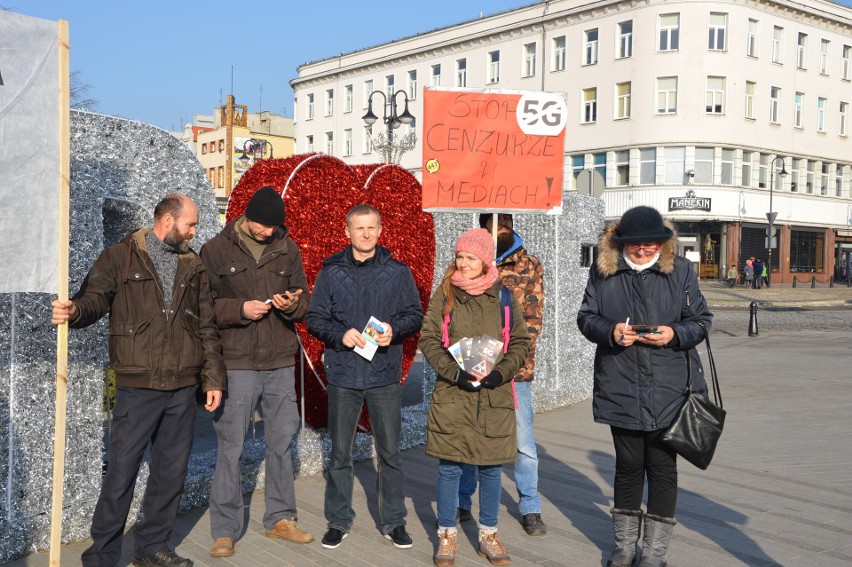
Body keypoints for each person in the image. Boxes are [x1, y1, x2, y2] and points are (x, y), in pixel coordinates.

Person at [51, 194, 226, 567]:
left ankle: (151, 549)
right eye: (190, 224)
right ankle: (101, 556)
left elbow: (207, 326)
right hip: (137, 386)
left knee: (170, 474)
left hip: (182, 387)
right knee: (121, 475)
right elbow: (94, 299)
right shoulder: (120, 256)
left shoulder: (194, 265)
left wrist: (212, 379)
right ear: (167, 220)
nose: (195, 232)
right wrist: (75, 310)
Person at [576, 206, 713, 567]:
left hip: (671, 388)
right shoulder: (603, 270)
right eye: (636, 245)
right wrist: (610, 331)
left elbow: (701, 321)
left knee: (663, 468)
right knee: (628, 466)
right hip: (620, 382)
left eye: (651, 244)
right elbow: (586, 317)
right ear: (622, 242)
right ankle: (623, 550)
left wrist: (674, 334)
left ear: (662, 242)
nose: (643, 250)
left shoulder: (681, 271)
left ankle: (654, 555)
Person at [200, 186, 313, 558]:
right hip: (237, 362)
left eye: (274, 227)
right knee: (231, 446)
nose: (268, 232)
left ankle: (281, 519)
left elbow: (304, 302)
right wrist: (239, 310)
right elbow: (203, 308)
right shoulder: (216, 250)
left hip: (280, 360)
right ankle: (225, 530)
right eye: (263, 226)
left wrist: (292, 304)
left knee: (281, 442)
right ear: (246, 218)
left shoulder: (288, 246)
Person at [305, 204, 423, 551]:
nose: (366, 234)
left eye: (372, 228)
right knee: (340, 452)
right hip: (343, 373)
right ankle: (339, 521)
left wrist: (394, 330)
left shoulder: (398, 272)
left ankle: (394, 521)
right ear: (347, 232)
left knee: (390, 453)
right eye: (360, 228)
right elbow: (314, 318)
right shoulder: (330, 271)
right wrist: (340, 334)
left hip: (384, 372)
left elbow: (414, 315)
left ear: (380, 230)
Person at [420, 228, 531, 567]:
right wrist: (454, 373)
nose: (463, 264)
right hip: (453, 395)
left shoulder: (504, 297)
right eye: (459, 257)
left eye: (470, 258)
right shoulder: (446, 293)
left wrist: (501, 373)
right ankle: (447, 537)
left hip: (493, 397)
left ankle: (488, 535)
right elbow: (428, 338)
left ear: (485, 262)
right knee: (450, 469)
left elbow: (521, 342)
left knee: (491, 470)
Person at [456, 213, 546, 537]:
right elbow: (456, 314)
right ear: (485, 228)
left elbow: (533, 320)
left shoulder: (529, 265)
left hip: (514, 373)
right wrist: (474, 360)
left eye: (506, 224)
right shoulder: (468, 263)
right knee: (470, 435)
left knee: (522, 441)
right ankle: (463, 500)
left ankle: (530, 505)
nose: (502, 229)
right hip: (474, 367)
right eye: (496, 225)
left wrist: (505, 363)